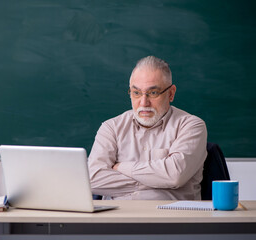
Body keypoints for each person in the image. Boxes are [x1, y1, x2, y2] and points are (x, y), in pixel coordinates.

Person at [88, 56, 207, 200]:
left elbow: (175, 175)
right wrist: (158, 181)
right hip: (119, 217)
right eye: (136, 93)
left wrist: (122, 167)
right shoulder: (111, 128)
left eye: (153, 93)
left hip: (173, 218)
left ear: (171, 93)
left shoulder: (191, 126)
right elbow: (92, 178)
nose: (144, 102)